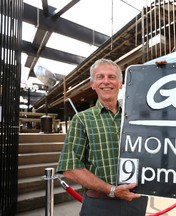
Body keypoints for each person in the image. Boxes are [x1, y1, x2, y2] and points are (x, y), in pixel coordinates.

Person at [56, 58, 148, 215]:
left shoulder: (135, 116)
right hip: (99, 205)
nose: (106, 81)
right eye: (100, 77)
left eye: (112, 77)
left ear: (120, 84)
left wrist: (162, 73)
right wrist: (111, 190)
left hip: (136, 202)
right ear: (93, 84)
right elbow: (70, 168)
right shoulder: (82, 119)